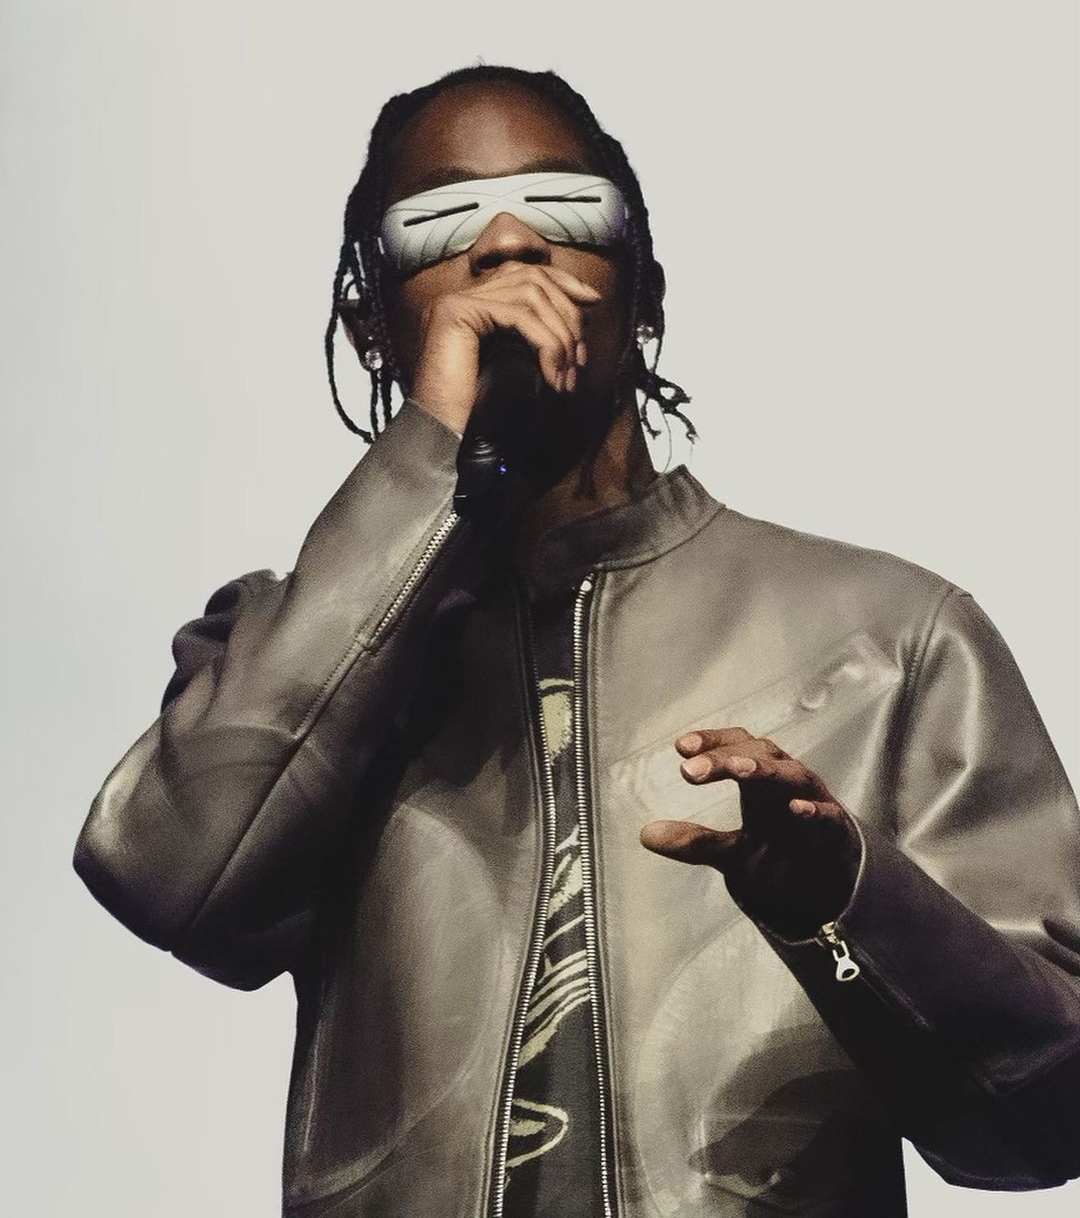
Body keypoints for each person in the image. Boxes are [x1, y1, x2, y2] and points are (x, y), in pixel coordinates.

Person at [73, 62, 1080, 1218]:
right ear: (371, 325)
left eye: (565, 208)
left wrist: (847, 905)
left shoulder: (894, 636)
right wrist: (431, 452)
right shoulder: (300, 651)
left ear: (640, 290)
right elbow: (170, 880)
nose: (508, 241)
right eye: (440, 222)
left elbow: (1048, 1115)